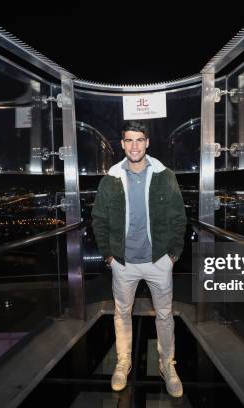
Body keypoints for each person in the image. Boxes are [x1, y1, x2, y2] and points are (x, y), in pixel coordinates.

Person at [91, 121, 187, 398]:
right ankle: (123, 362)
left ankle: (167, 365)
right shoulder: (110, 179)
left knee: (165, 315)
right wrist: (109, 255)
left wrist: (172, 255)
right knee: (122, 314)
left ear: (147, 143)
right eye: (129, 140)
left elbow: (179, 217)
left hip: (159, 260)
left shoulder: (164, 175)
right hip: (123, 262)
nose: (134, 145)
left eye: (139, 140)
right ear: (122, 145)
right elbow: (99, 219)